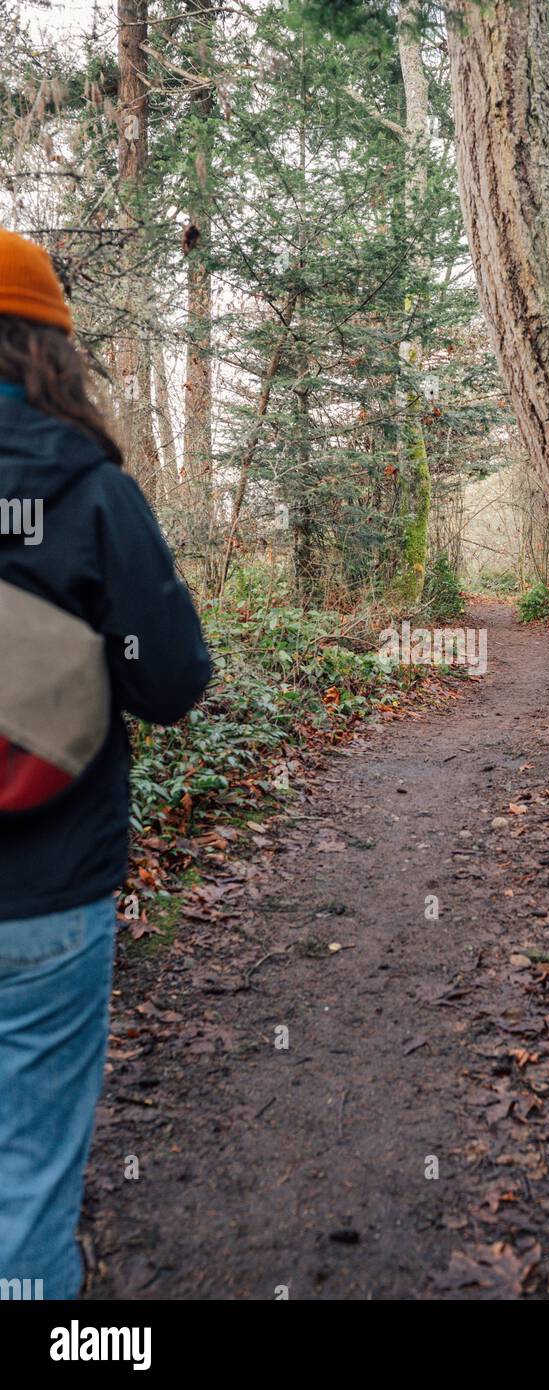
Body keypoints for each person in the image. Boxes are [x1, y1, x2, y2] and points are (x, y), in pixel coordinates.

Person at [0, 229, 211, 1300]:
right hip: (44, 889)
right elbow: (170, 681)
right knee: (26, 1173)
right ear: (52, 348)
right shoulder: (90, 492)